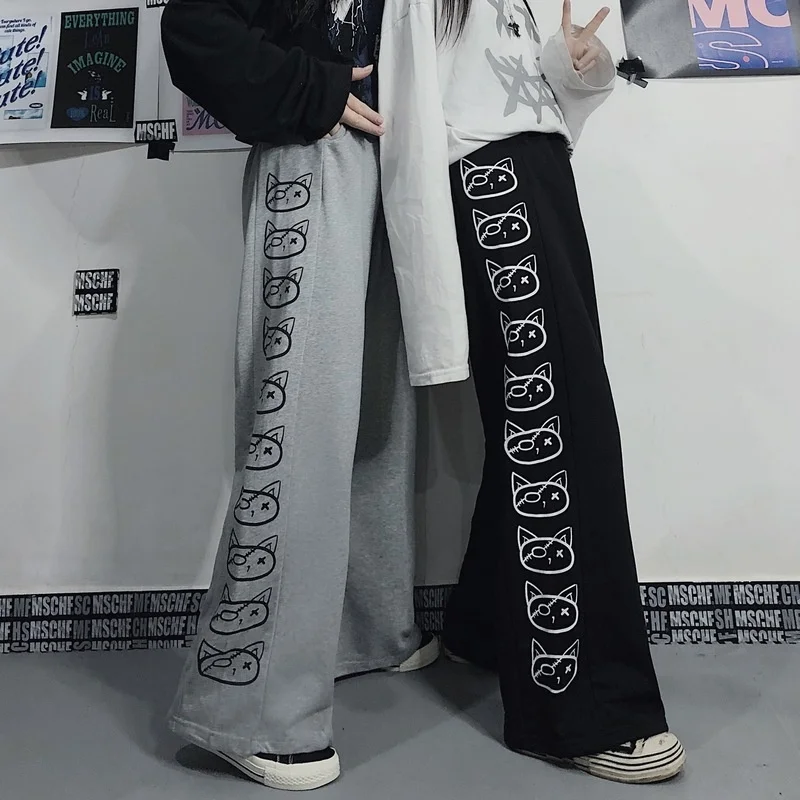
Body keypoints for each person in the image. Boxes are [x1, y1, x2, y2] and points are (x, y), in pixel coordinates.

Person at [378, 0, 686, 784]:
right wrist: (432, 316)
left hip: (542, 176)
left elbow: (537, 96)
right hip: (490, 187)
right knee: (564, 426)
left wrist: (576, 65)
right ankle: (580, 708)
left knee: (545, 418)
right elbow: (413, 123)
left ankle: (485, 626)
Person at [159, 0, 440, 790]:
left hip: (392, 161)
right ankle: (251, 709)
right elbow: (192, 28)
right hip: (312, 151)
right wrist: (309, 90)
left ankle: (363, 629)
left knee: (376, 414)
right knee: (302, 417)